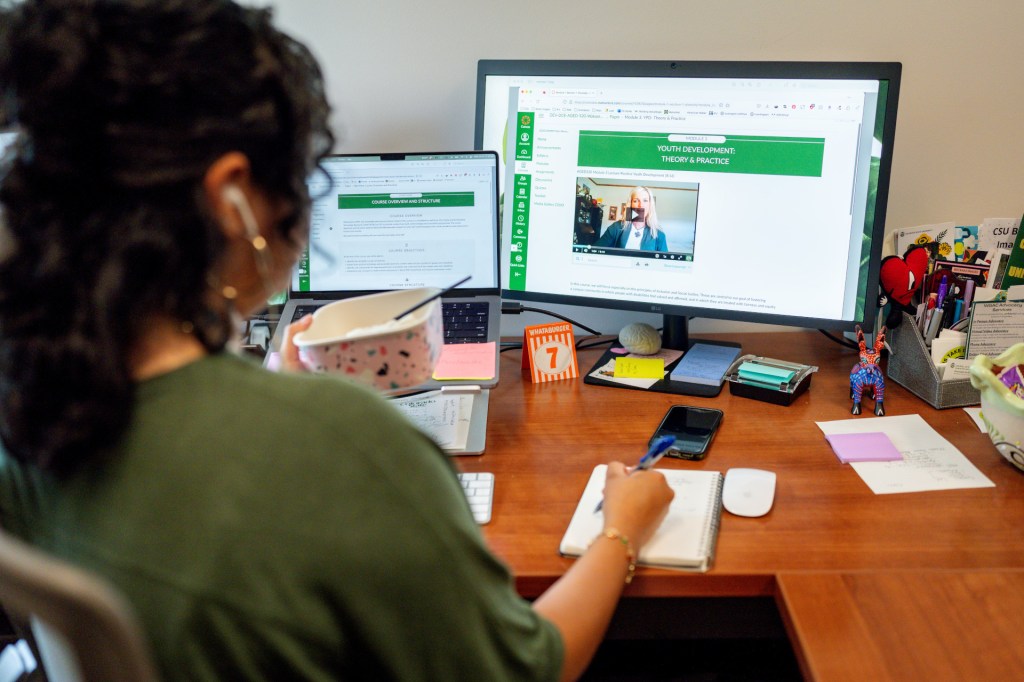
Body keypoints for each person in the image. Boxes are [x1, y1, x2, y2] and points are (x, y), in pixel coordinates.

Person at [0, 2, 674, 680]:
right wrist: (620, 533)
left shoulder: (26, 402)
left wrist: (271, 402)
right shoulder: (350, 446)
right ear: (232, 196)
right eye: (301, 175)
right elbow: (530, 670)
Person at [595, 186, 668, 251]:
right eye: (636, 201)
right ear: (630, 204)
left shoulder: (659, 235)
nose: (640, 205)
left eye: (645, 200)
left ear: (650, 206)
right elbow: (595, 251)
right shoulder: (616, 227)